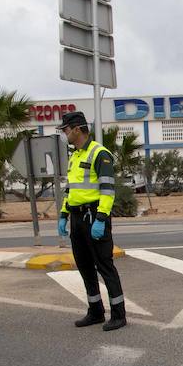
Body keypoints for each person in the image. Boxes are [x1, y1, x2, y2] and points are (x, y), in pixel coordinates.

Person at [56, 110, 126, 331]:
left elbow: (107, 190)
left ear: (77, 129)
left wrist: (101, 219)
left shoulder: (99, 154)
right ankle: (95, 311)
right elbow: (70, 190)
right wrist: (63, 214)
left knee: (104, 266)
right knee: (85, 266)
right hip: (77, 217)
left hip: (94, 216)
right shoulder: (75, 156)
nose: (64, 133)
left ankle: (119, 315)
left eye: (65, 129)